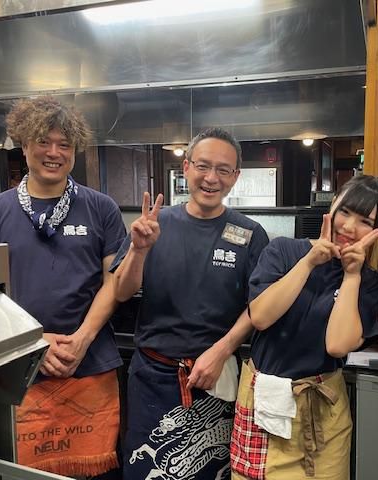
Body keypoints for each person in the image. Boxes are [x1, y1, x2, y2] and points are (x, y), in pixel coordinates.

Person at [0, 96, 126, 477]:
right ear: (24, 145)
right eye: (44, 141)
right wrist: (35, 342)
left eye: (64, 145)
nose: (54, 153)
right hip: (19, 369)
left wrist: (83, 338)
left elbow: (115, 283)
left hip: (89, 365)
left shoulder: (101, 208)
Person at [111, 127, 269, 480]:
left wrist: (221, 350)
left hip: (216, 378)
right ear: (186, 168)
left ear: (236, 177)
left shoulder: (250, 234)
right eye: (203, 166)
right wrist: (138, 249)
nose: (211, 178)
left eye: (223, 170)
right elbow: (121, 292)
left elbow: (258, 307)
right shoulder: (156, 224)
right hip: (153, 375)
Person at [231, 175, 378, 480]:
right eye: (344, 211)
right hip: (265, 406)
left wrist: (351, 276)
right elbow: (262, 317)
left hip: (323, 414)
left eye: (364, 220)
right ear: (332, 205)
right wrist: (308, 262)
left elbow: (336, 345)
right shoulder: (283, 251)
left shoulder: (370, 283)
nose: (347, 226)